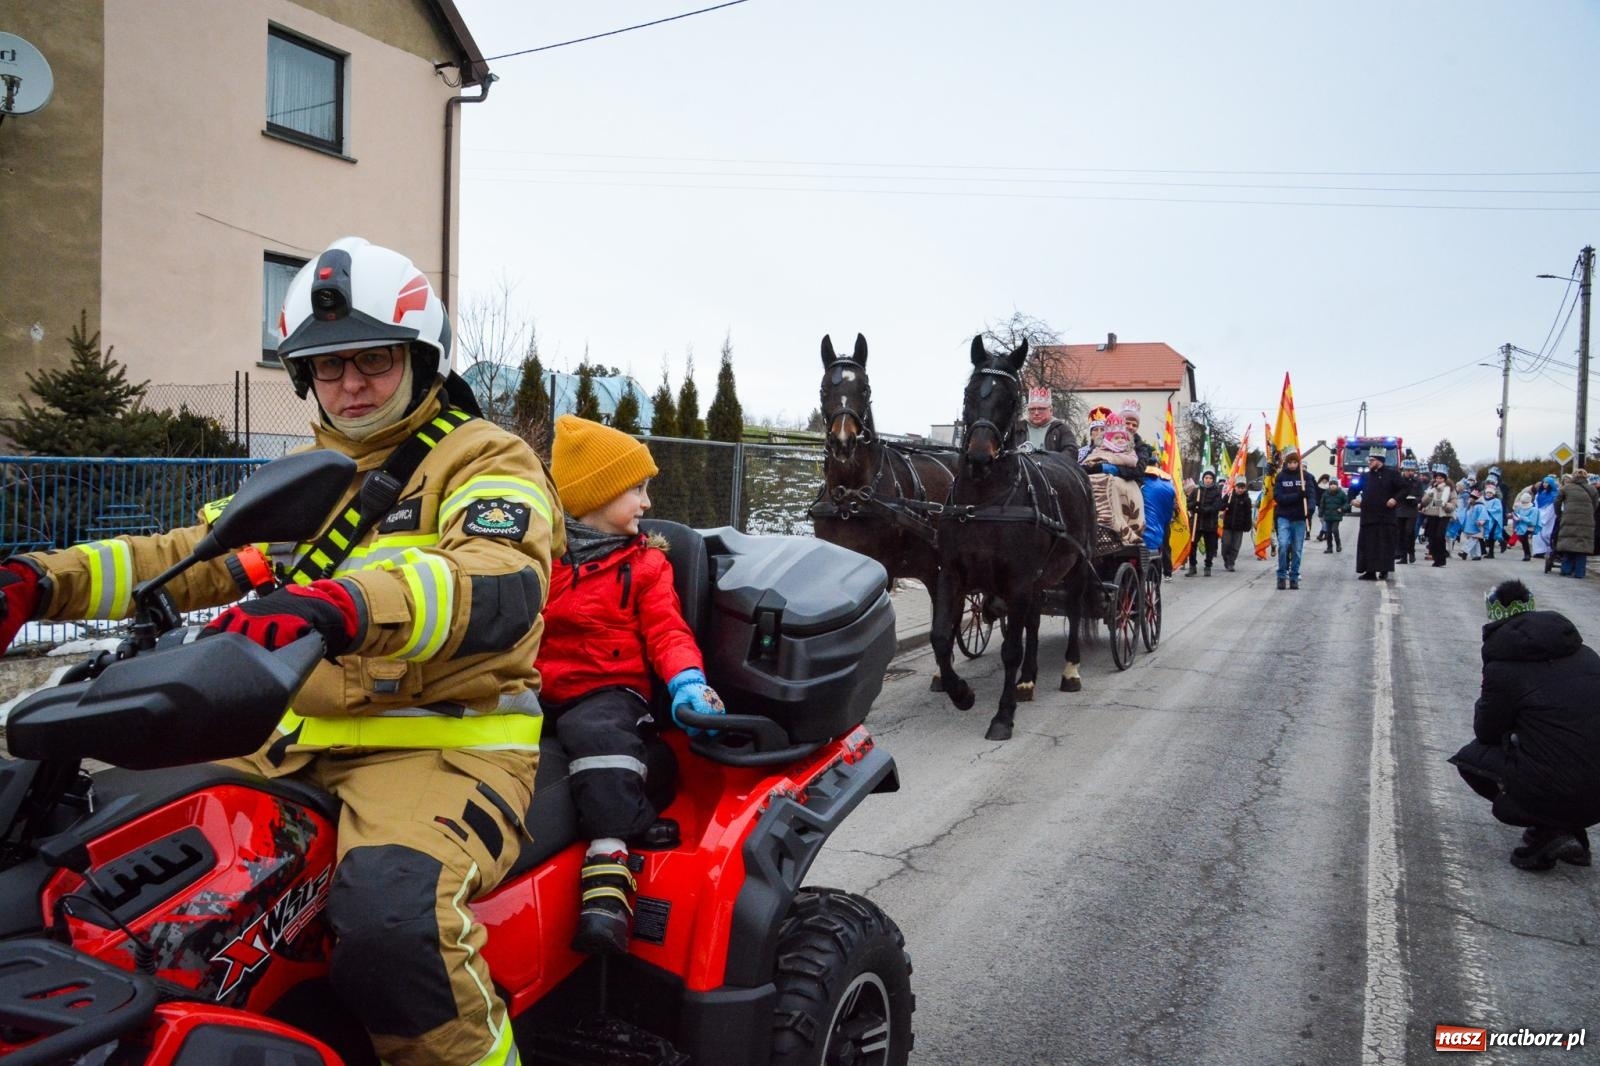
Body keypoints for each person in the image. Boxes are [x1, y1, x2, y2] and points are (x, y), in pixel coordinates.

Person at [0, 237, 557, 1066]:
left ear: (421, 358)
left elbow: (499, 578)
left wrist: (345, 602)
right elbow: (193, 554)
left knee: (394, 929)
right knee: (115, 869)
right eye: (328, 368)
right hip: (287, 744)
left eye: (373, 360)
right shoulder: (311, 476)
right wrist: (42, 584)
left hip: (443, 747)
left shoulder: (483, 457)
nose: (351, 384)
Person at [535, 416, 725, 955]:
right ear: (593, 496)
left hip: (610, 690)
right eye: (635, 490)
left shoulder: (646, 564)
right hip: (539, 687)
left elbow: (667, 630)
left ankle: (609, 868)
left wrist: (688, 683)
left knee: (596, 736)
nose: (646, 503)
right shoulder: (541, 561)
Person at [1450, 580, 1600, 870]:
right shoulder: (1586, 653)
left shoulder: (1504, 668)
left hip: (1560, 785)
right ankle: (1568, 828)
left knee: (1471, 758)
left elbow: (1487, 731)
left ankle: (1550, 828)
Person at [1084, 412, 1145, 546]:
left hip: (1126, 483)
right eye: (1117, 437)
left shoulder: (1136, 449)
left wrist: (1107, 468)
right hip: (1099, 482)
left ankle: (1118, 526)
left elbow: (1137, 468)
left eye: (1134, 425)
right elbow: (1088, 464)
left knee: (1110, 482)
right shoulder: (1098, 450)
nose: (1121, 440)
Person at [1355, 447, 1405, 581]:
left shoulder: (1392, 474)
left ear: (1379, 461)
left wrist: (1395, 499)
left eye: (1372, 460)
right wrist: (1352, 500)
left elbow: (1404, 489)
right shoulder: (1365, 476)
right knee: (1368, 545)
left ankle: (1384, 570)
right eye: (1369, 460)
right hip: (1369, 517)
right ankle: (1369, 571)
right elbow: (1353, 489)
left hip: (1386, 517)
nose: (1369, 462)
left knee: (1384, 545)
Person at [1271, 448, 1312, 590]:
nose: (1293, 465)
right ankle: (1281, 575)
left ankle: (1294, 576)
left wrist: (1310, 510)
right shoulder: (1281, 477)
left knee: (1297, 549)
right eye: (1290, 462)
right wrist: (1296, 496)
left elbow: (1311, 497)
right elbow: (1278, 497)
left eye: (1295, 462)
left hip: (1300, 518)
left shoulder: (1306, 477)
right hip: (1284, 517)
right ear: (1286, 463)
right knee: (1283, 545)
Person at [1555, 472, 1597, 578]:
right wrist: (1589, 513)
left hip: (1568, 518)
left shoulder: (1566, 488)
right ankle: (1579, 573)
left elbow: (1557, 502)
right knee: (1582, 548)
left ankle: (1565, 570)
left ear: (1574, 477)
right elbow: (1595, 504)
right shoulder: (1592, 489)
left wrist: (1559, 514)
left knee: (1568, 544)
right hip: (1586, 520)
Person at [1014, 387, 1076, 454]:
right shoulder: (1017, 428)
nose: (1036, 413)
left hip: (1052, 464)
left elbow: (1071, 452)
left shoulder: (1061, 429)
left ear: (1051, 411)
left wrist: (1051, 460)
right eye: (1032, 409)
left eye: (1041, 409)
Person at [1140, 464, 1176, 577]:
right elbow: (1170, 508)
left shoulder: (1141, 484)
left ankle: (1157, 572)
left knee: (1153, 548)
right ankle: (1165, 573)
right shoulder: (1168, 486)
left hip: (1144, 522)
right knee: (1162, 548)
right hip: (1162, 522)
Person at [1185, 468, 1223, 576]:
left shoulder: (1216, 492)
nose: (1208, 480)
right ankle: (1192, 566)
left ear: (1213, 480)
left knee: (1209, 546)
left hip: (1210, 524)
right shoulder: (1197, 490)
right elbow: (1188, 503)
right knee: (1192, 545)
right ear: (1203, 478)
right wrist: (1193, 505)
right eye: (1206, 478)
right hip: (1197, 524)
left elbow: (1216, 506)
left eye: (1210, 478)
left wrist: (1203, 509)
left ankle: (1208, 566)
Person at [1420, 465, 1456, 566]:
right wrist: (1430, 494)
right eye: (1437, 478)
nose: (1438, 480)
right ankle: (1436, 558)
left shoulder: (1450, 489)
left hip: (1443, 515)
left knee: (1439, 536)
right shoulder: (1431, 488)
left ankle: (1441, 559)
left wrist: (1445, 505)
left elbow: (1453, 503)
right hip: (1432, 514)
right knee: (1432, 537)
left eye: (1441, 478)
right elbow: (1424, 501)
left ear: (1445, 478)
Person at [1220, 474, 1253, 572]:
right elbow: (1220, 505)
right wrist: (1225, 505)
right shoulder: (1229, 496)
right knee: (1226, 544)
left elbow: (1248, 513)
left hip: (1239, 527)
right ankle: (1226, 558)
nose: (1240, 490)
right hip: (1228, 525)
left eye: (1243, 488)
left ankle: (1231, 562)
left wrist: (1248, 525)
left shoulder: (1246, 500)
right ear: (1235, 487)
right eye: (1239, 487)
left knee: (1235, 546)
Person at [1393, 459, 1424, 565]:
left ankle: (1411, 552)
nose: (1410, 472)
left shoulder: (1417, 482)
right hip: (1400, 509)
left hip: (1412, 510)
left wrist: (1415, 500)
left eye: (1412, 470)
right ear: (1403, 470)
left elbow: (1421, 495)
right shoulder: (1399, 480)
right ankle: (1403, 556)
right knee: (1400, 533)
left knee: (1409, 532)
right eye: (1408, 470)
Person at [1118, 399, 1158, 472]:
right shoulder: (1107, 442)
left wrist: (1114, 469)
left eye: (1134, 425)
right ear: (1120, 423)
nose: (1131, 427)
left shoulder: (1141, 447)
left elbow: (1139, 469)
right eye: (1127, 423)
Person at [1318, 476, 1349, 554]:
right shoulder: (1325, 494)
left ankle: (1338, 545)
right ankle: (1329, 548)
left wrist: (1342, 508)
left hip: (1336, 516)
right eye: (1331, 484)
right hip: (1327, 516)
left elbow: (1347, 503)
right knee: (1328, 533)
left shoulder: (1341, 493)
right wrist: (1321, 513)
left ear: (1337, 485)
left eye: (1334, 484)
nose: (1332, 485)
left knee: (1334, 530)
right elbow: (1322, 504)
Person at [1533, 474, 1560, 559]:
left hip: (1549, 517)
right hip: (1539, 515)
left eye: (1546, 483)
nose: (1544, 484)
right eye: (1544, 482)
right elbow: (1536, 504)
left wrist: (1544, 517)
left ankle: (1550, 550)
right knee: (1537, 534)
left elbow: (1552, 508)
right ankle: (1539, 551)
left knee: (1547, 534)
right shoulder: (1539, 494)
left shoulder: (1554, 495)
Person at [1511, 488, 1540, 562]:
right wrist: (1513, 516)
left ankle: (1527, 554)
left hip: (1529, 527)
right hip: (1521, 526)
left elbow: (1532, 521)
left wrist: (1521, 518)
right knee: (1522, 539)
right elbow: (1516, 515)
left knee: (1524, 538)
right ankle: (1527, 553)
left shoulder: (1533, 509)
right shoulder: (1519, 507)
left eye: (1524, 503)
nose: (1523, 504)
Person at [1481, 482, 1504, 560]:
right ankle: (1483, 550)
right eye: (1488, 492)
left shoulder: (1496, 501)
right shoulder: (1482, 499)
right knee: (1482, 536)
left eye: (1491, 493)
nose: (1489, 494)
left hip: (1493, 521)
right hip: (1484, 520)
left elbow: (1498, 510)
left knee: (1491, 537)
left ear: (1493, 493)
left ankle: (1491, 552)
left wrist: (1488, 510)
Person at [1313, 474, 1332, 542]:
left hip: (1327, 506)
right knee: (1321, 519)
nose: (1324, 481)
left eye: (1326, 480)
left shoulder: (1329, 488)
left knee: (1325, 520)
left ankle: (1321, 534)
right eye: (1323, 479)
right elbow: (1316, 495)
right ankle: (1327, 534)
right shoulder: (1318, 486)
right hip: (1319, 505)